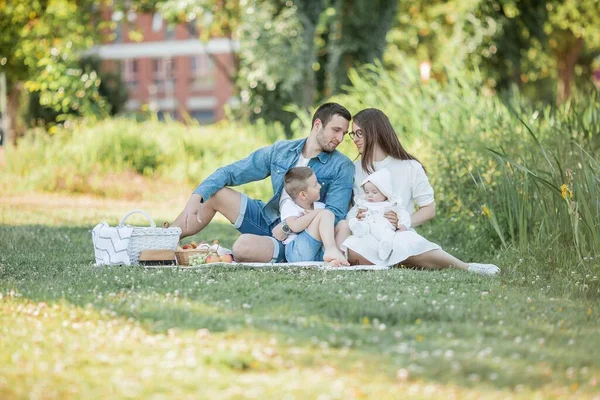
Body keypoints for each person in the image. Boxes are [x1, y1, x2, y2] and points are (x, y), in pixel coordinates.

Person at [168, 102, 355, 264]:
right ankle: (164, 240)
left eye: (344, 133)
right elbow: (232, 172)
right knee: (215, 193)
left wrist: (287, 227)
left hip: (298, 237)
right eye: (336, 130)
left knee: (242, 248)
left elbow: (335, 214)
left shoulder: (342, 166)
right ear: (317, 125)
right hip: (269, 220)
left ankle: (281, 256)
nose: (339, 139)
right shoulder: (282, 151)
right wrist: (197, 196)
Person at [336, 108, 500, 276]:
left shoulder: (410, 167)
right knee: (353, 248)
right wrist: (356, 218)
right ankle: (402, 260)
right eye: (353, 134)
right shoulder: (353, 169)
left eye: (359, 134)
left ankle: (466, 267)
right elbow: (350, 208)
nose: (355, 139)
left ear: (375, 132)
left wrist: (402, 222)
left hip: (397, 234)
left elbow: (429, 209)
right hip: (367, 234)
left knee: (406, 243)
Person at [279, 167, 348, 265]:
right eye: (315, 184)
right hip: (297, 253)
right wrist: (316, 213)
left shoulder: (319, 207)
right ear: (303, 195)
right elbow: (294, 226)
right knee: (326, 213)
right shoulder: (290, 205)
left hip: (318, 251)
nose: (320, 186)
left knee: (344, 225)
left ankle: (335, 258)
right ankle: (331, 250)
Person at [348, 168, 411, 260]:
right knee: (363, 226)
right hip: (368, 227)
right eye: (367, 192)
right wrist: (352, 220)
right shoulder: (362, 203)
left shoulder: (391, 204)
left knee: (389, 234)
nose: (370, 195)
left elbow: (404, 214)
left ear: (385, 193)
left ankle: (385, 247)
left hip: (384, 228)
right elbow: (351, 214)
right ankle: (359, 229)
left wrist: (403, 224)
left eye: (374, 192)